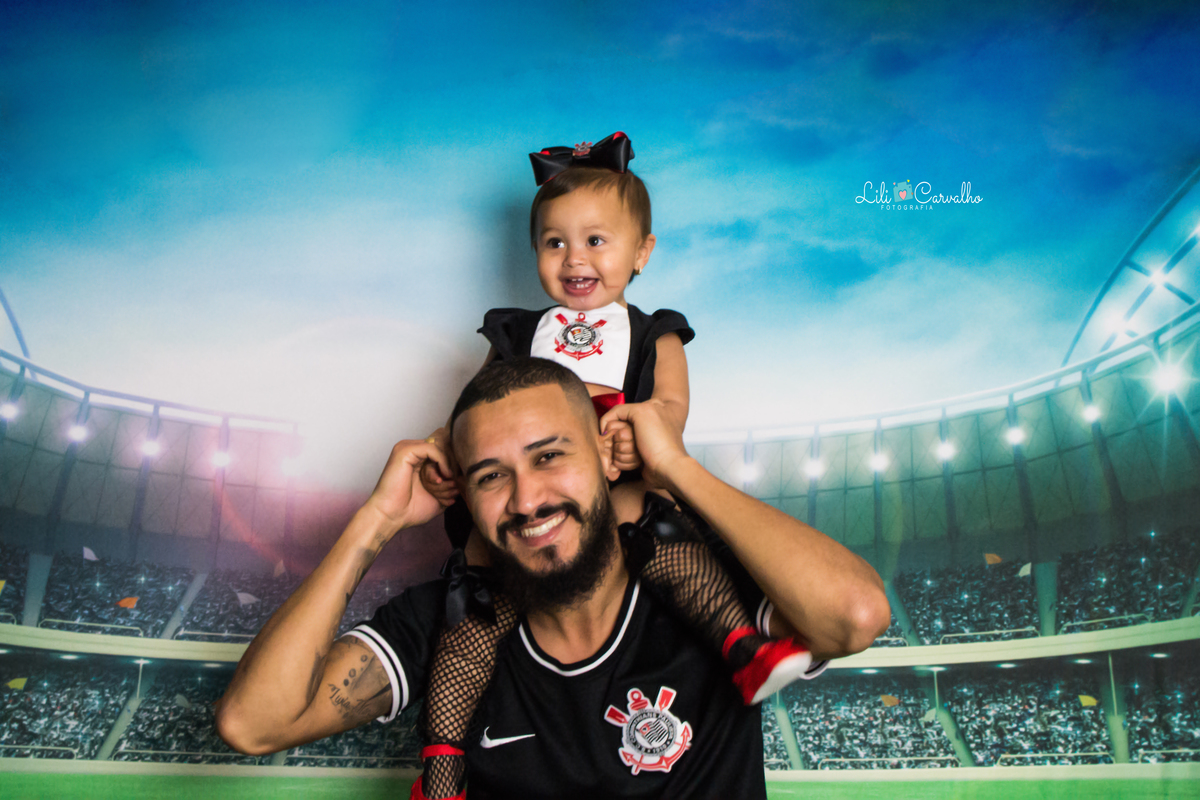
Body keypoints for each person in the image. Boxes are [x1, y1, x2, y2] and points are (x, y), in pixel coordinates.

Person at [215, 357, 891, 798]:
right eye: (491, 476)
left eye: (548, 456)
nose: (527, 499)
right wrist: (376, 522)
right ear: (465, 496)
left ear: (607, 454)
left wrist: (676, 468)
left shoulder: (705, 589)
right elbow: (253, 723)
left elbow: (855, 615)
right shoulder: (450, 624)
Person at [414, 133, 814, 798]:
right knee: (474, 596)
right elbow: (472, 413)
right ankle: (443, 760)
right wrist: (443, 450)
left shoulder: (655, 332)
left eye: (596, 241)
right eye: (554, 242)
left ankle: (742, 647)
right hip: (534, 498)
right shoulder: (518, 333)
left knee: (650, 522)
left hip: (616, 481)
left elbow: (671, 407)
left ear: (641, 252)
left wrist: (644, 438)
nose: (575, 258)